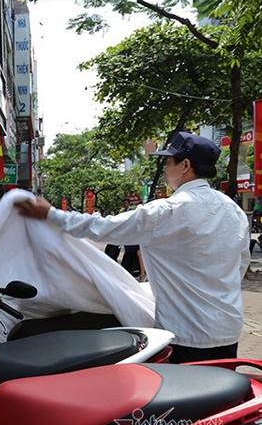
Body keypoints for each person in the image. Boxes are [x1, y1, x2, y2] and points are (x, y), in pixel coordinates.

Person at [15, 132, 250, 364]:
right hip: (227, 329)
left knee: (189, 398)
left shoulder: (168, 210)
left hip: (187, 334)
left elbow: (106, 227)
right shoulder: (234, 211)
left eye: (168, 162)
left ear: (185, 165)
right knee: (224, 395)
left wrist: (51, 214)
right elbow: (239, 266)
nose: (166, 169)